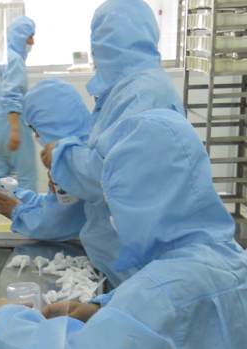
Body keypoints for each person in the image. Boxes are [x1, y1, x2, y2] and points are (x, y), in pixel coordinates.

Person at [0, 109, 247, 349]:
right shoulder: (230, 257)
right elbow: (189, 321)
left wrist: (10, 319)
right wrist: (97, 308)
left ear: (136, 199)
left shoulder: (163, 290)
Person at [42, 0, 184, 210]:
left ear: (104, 44)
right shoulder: (134, 88)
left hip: (134, 227)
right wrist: (67, 175)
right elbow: (107, 149)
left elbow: (109, 173)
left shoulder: (140, 95)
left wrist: (62, 158)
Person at [0, 79, 133, 286]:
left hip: (118, 270)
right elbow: (58, 203)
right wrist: (18, 195)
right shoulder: (85, 147)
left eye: (37, 129)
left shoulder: (74, 161)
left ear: (51, 123)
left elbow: (57, 223)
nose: (36, 137)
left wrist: (16, 212)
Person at [0, 16, 37, 191]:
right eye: (29, 36)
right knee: (26, 178)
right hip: (11, 127)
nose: (33, 42)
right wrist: (15, 130)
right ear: (20, 36)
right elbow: (11, 95)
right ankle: (28, 209)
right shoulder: (14, 60)